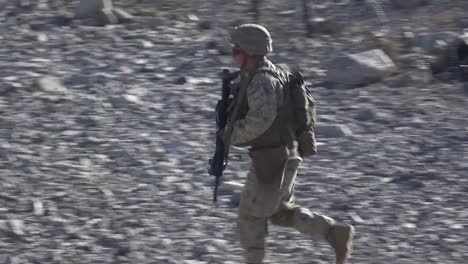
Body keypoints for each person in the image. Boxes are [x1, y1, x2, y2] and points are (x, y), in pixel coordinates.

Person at [223, 24, 355, 264]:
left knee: (250, 216)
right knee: (279, 212)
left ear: (250, 51)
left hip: (271, 161)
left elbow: (261, 120)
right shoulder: (276, 74)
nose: (233, 54)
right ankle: (334, 232)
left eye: (237, 50)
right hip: (288, 155)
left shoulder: (262, 81)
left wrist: (230, 136)